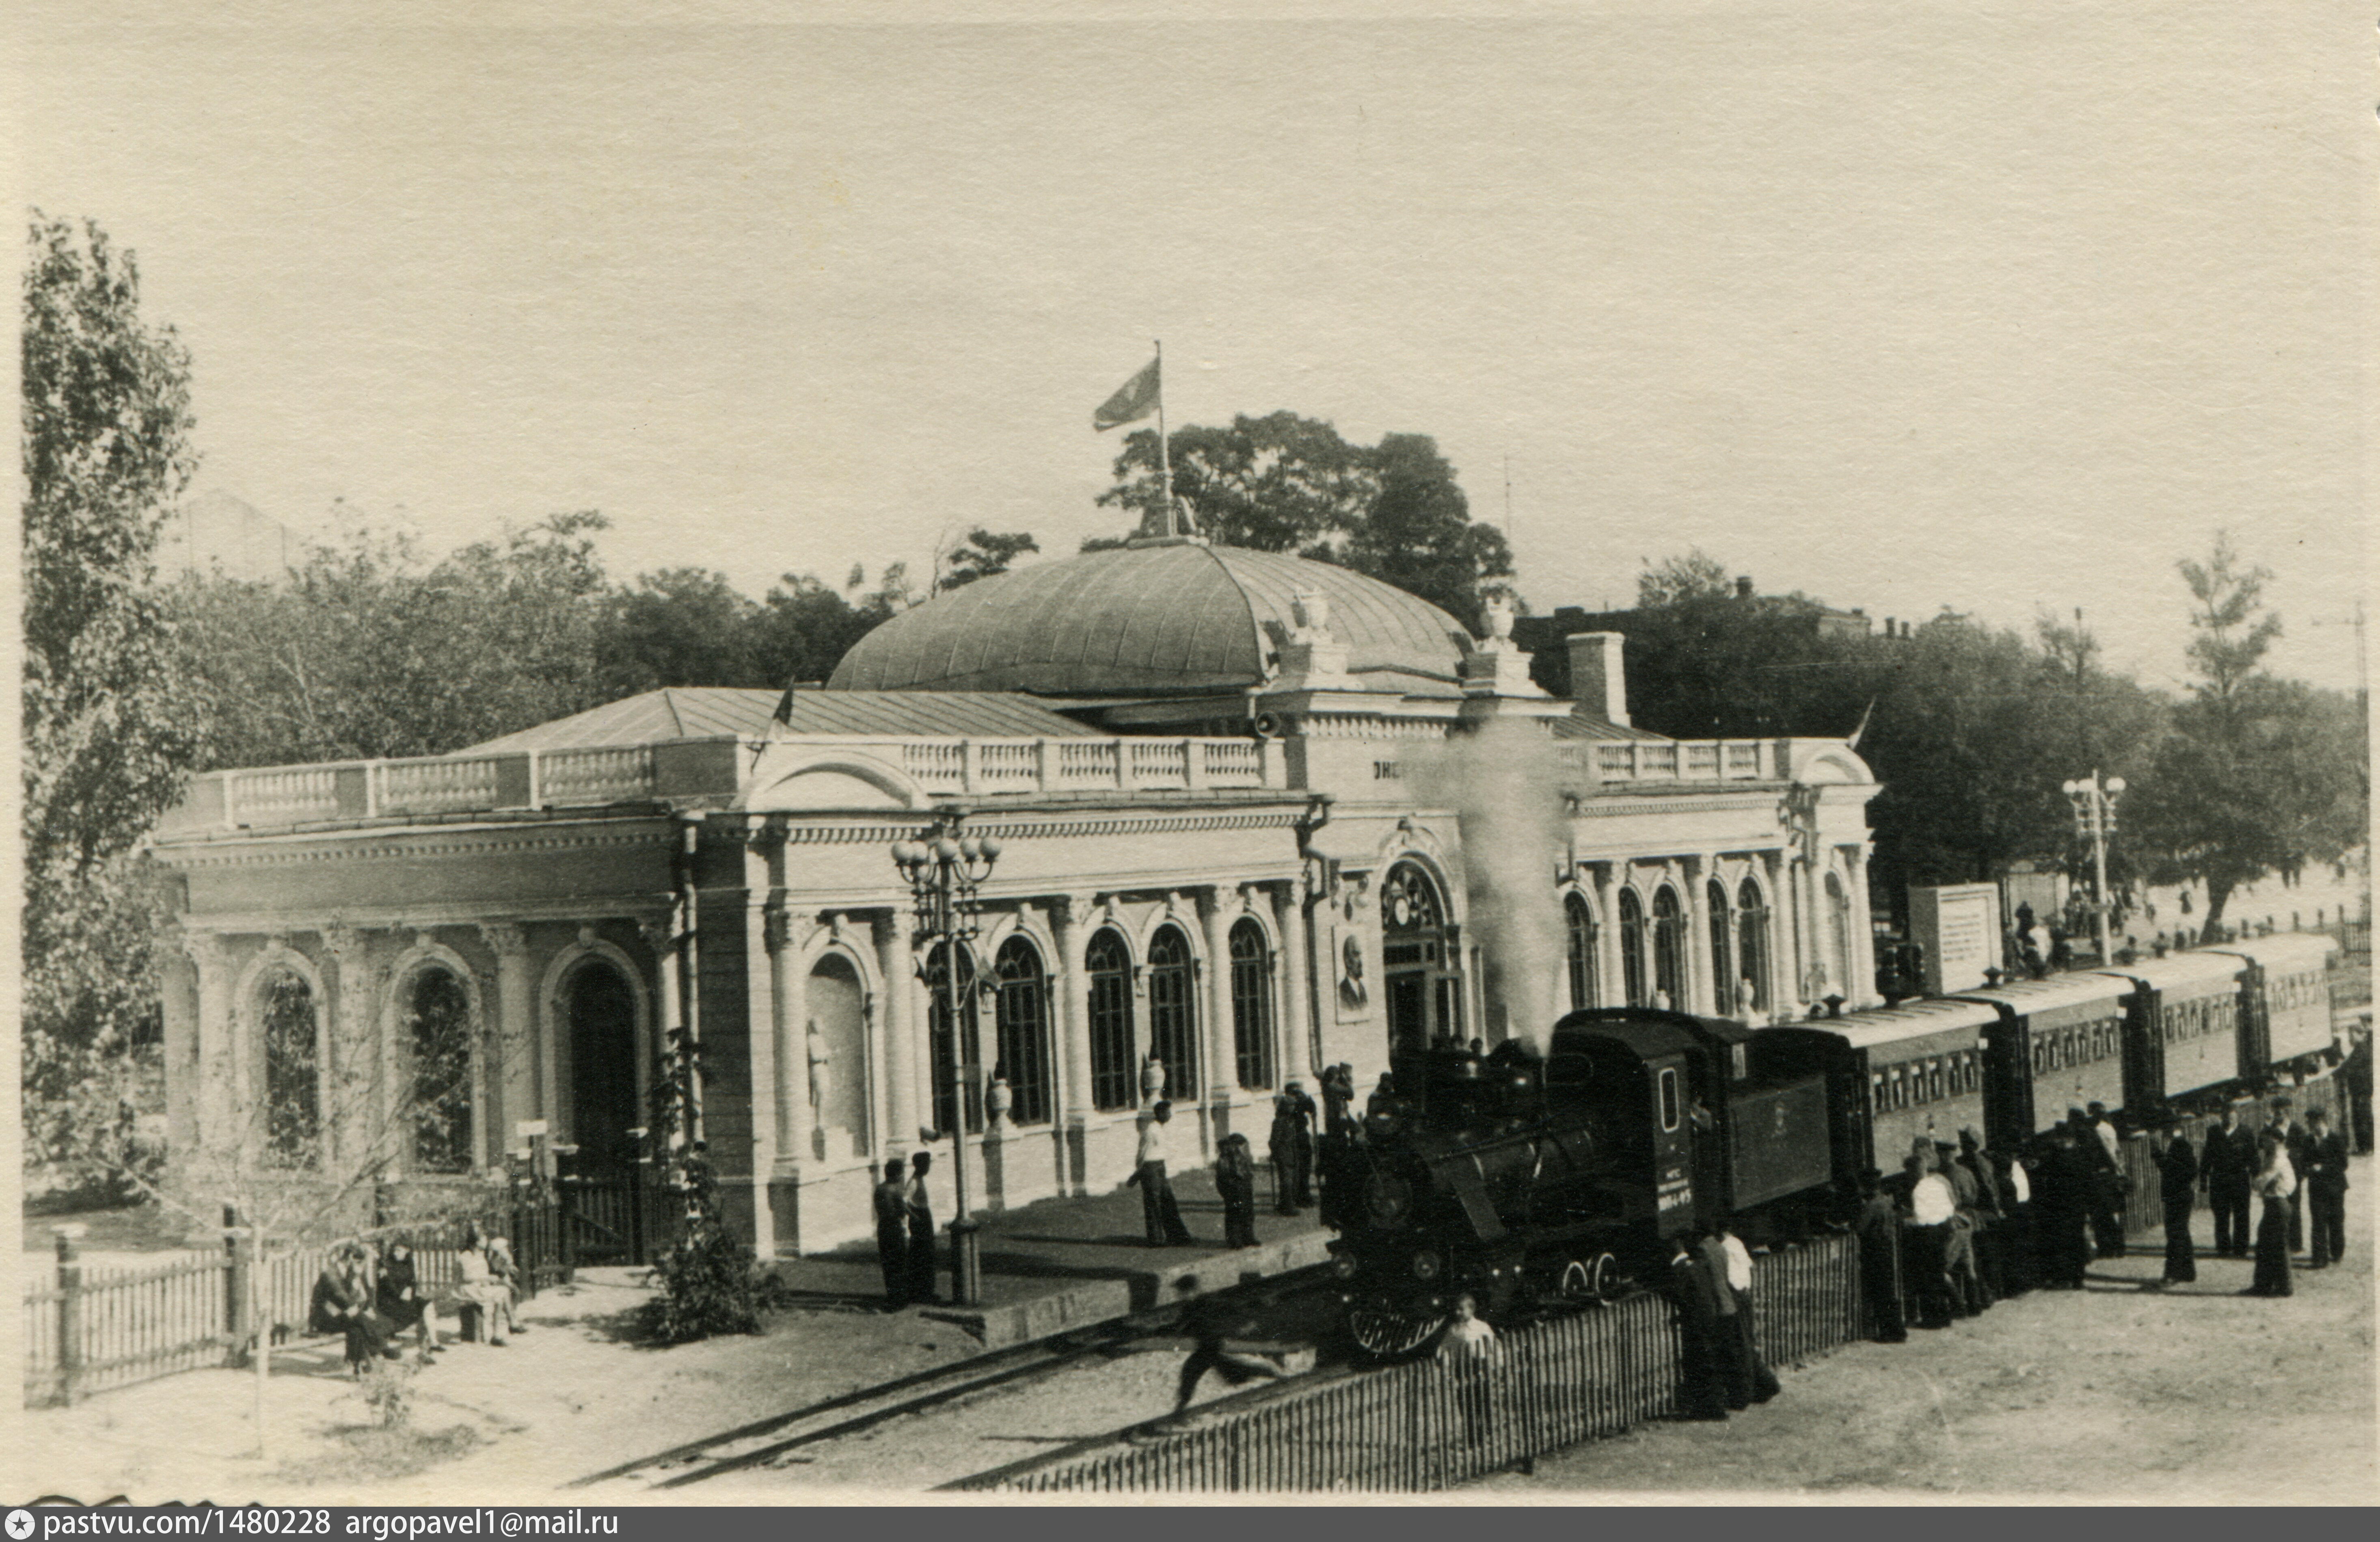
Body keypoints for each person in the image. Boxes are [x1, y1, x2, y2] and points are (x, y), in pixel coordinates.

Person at [1171, 1283, 1288, 1416]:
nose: (1180, 1296)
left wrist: (1247, 1321)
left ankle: (1273, 1373)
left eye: (1183, 1292)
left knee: (1231, 1370)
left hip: (1213, 1346)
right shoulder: (1189, 1307)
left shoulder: (1208, 1302)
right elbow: (1180, 1326)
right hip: (1206, 1349)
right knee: (1194, 1373)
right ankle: (1180, 1410)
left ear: (1192, 1290)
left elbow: (1231, 1308)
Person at [1713, 1222, 1780, 1405]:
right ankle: (1765, 1386)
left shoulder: (1725, 1249)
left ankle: (1761, 1387)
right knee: (1746, 1342)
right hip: (1745, 1295)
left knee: (1741, 1345)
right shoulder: (1736, 1243)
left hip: (1736, 1297)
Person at [1664, 1234, 1730, 1420]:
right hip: (1710, 1320)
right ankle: (1716, 1406)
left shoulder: (1680, 1270)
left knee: (1697, 1365)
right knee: (1711, 1362)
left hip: (1695, 1326)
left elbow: (1679, 1295)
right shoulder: (1699, 1266)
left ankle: (1705, 1409)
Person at [310, 1244, 397, 1376]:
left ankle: (358, 1364)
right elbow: (340, 1296)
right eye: (359, 1262)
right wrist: (355, 1309)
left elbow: (367, 1293)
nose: (362, 1265)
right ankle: (378, 1349)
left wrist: (369, 1308)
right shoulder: (330, 1273)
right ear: (350, 1258)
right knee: (359, 1320)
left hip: (347, 1312)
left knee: (360, 1325)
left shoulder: (353, 1270)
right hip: (327, 1316)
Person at [1901, 1150, 1960, 1327]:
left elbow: (1920, 1219)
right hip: (1943, 1231)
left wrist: (1904, 1220)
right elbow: (1950, 1209)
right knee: (1938, 1275)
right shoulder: (1937, 1184)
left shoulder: (1918, 1190)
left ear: (1913, 1171)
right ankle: (1945, 1316)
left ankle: (1933, 1319)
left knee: (1927, 1279)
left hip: (1927, 1236)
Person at [1434, 1293, 1501, 1445]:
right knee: (1465, 1402)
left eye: (1461, 1310)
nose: (1458, 1313)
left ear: (1471, 1310)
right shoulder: (1454, 1329)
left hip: (1479, 1366)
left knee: (1482, 1400)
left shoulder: (1481, 1327)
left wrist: (1498, 1363)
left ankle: (1487, 1431)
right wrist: (1441, 1357)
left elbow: (1493, 1344)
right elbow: (1445, 1346)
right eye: (1456, 1310)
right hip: (1462, 1368)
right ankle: (1472, 1435)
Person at [2033, 1125, 2093, 1290]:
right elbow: (2088, 1183)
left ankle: (2063, 1277)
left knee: (2060, 1241)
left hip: (2058, 1206)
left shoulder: (2053, 1158)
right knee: (2076, 1240)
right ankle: (2078, 1278)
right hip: (2077, 1205)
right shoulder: (2080, 1157)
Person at [1130, 1101, 1196, 1246]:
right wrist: (1139, 1173)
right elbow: (1142, 1153)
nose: (1169, 1115)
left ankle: (1177, 1236)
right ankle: (1156, 1240)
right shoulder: (1150, 1130)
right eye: (1167, 1112)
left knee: (1168, 1201)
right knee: (1154, 1203)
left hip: (1160, 1168)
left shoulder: (1160, 1129)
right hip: (1150, 1168)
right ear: (1159, 1113)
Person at [1854, 1168, 1908, 1343]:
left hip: (1875, 1250)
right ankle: (1897, 1329)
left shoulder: (1872, 1205)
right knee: (1888, 1291)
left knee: (1881, 1293)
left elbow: (1860, 1228)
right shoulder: (1885, 1201)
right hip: (1886, 1248)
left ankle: (1892, 1332)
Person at [2200, 1105, 2256, 1258]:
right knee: (2221, 1214)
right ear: (2222, 1118)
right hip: (2219, 1179)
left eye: (2231, 1118)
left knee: (2242, 1214)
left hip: (2240, 1179)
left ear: (2238, 1118)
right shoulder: (2214, 1132)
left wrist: (2256, 1176)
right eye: (2225, 1118)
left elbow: (2253, 1156)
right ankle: (2223, 1248)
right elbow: (2207, 1156)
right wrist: (2203, 1179)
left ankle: (2241, 1248)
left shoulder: (2246, 1133)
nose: (2228, 1121)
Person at [376, 1237, 443, 1363]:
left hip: (405, 1300)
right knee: (421, 1309)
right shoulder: (388, 1265)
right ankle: (424, 1349)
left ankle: (431, 1343)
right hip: (391, 1303)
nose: (396, 1253)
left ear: (407, 1250)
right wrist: (402, 1294)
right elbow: (388, 1287)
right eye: (395, 1250)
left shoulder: (408, 1261)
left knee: (428, 1306)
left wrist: (410, 1289)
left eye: (399, 1250)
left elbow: (412, 1281)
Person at [2246, 1128, 2296, 1297]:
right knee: (2267, 1244)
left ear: (2275, 1141)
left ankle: (2283, 1287)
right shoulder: (2273, 1157)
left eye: (2266, 1141)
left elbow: (2262, 1180)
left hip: (2278, 1204)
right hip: (2273, 1204)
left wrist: (2256, 1183)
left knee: (2277, 1245)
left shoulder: (2279, 1159)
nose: (2263, 1144)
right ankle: (2266, 1285)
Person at [453, 1224, 519, 1343]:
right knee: (503, 1292)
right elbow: (466, 1277)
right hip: (467, 1289)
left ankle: (497, 1335)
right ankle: (507, 1327)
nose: (486, 1241)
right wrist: (487, 1278)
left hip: (477, 1287)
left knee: (502, 1294)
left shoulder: (480, 1255)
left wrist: (488, 1279)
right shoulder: (466, 1256)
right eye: (483, 1238)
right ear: (476, 1242)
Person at [2301, 1107, 2350, 1270]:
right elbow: (2304, 1161)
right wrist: (2307, 1168)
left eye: (2313, 1123)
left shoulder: (2335, 1138)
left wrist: (2322, 1168)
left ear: (2321, 1123)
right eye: (2309, 1123)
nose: (2310, 1126)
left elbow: (2343, 1164)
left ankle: (2337, 1252)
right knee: (2318, 1222)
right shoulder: (2308, 1140)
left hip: (2335, 1187)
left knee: (2336, 1220)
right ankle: (2320, 1258)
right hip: (2316, 1188)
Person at [2154, 1125, 2199, 1285]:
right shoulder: (2178, 1144)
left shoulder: (2180, 1145)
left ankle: (2173, 1273)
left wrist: (2160, 1158)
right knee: (2181, 1233)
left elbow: (2188, 1171)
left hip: (2179, 1195)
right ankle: (2187, 1271)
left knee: (2175, 1234)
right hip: (2179, 1195)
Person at [2080, 1104, 2126, 1258]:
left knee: (2100, 1213)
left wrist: (2116, 1167)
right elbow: (2117, 1151)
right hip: (2111, 1174)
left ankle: (2108, 1248)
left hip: (2102, 1174)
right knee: (2111, 1212)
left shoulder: (2097, 1131)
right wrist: (2121, 1170)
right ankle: (2117, 1247)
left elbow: (2108, 1152)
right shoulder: (2109, 1127)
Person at [2273, 1099, 2312, 1256]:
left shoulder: (2297, 1129)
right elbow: (2262, 1144)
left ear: (2287, 1112)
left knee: (2294, 1207)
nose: (2277, 1115)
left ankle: (2296, 1243)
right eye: (2275, 1112)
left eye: (2280, 1112)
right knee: (2276, 1206)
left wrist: (2291, 1155)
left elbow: (2305, 1151)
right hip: (2277, 1174)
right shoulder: (2272, 1129)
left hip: (2294, 1173)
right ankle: (2279, 1242)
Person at [873, 1156, 910, 1308]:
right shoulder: (895, 1190)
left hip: (883, 1227)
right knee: (899, 1262)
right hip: (895, 1227)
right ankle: (900, 1298)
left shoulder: (879, 1189)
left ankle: (892, 1294)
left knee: (888, 1263)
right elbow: (902, 1212)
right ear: (897, 1175)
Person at [905, 1149, 939, 1304]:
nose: (928, 1168)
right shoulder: (913, 1182)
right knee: (920, 1254)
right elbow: (904, 1201)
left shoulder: (922, 1180)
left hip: (925, 1216)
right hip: (920, 1219)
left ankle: (927, 1290)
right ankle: (919, 1291)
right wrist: (914, 1216)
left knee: (928, 1254)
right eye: (926, 1165)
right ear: (919, 1165)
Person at [1268, 1091, 1311, 1215]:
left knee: (1292, 1180)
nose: (1294, 1108)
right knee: (1287, 1182)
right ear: (1285, 1107)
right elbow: (1274, 1140)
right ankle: (1287, 1207)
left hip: (1291, 1153)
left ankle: (1286, 1204)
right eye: (1291, 1106)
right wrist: (1275, 1153)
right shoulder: (1279, 1122)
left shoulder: (1290, 1120)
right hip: (1283, 1154)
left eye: (1294, 1106)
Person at [1216, 1132, 1259, 1248]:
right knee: (1235, 1215)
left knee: (1248, 1213)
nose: (1242, 1148)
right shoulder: (1226, 1158)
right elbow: (1223, 1177)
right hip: (1234, 1189)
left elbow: (1246, 1170)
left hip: (1244, 1188)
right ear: (1235, 1145)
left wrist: (1249, 1178)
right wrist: (1229, 1189)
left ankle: (1248, 1237)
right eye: (1241, 1145)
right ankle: (1235, 1240)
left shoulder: (1239, 1155)